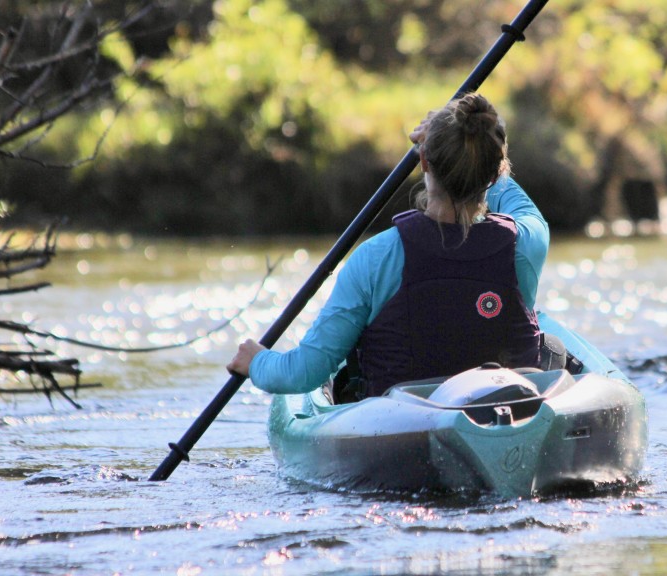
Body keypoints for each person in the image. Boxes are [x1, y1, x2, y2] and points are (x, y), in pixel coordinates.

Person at [227, 93, 552, 399]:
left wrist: (257, 361)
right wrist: (485, 155)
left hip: (399, 431)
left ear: (423, 162)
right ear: (496, 173)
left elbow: (302, 374)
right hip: (511, 414)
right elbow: (517, 202)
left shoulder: (374, 257)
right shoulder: (525, 243)